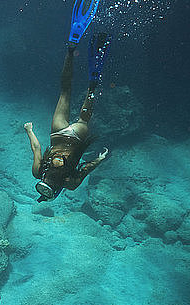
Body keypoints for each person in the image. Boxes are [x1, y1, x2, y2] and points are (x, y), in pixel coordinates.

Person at [23, 21, 111, 202]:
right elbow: (36, 147)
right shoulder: (38, 172)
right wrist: (29, 130)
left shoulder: (70, 183)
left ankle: (92, 87)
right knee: (65, 92)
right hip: (58, 132)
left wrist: (100, 159)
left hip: (78, 136)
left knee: (84, 118)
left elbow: (86, 167)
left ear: (56, 192)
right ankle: (71, 50)